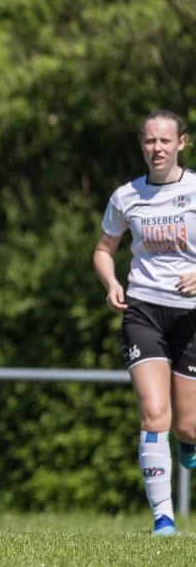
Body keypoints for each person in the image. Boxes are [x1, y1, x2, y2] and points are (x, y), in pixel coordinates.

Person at [93, 109, 196, 536]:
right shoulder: (126, 197)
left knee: (189, 424)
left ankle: (189, 444)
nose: (157, 149)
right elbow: (103, 248)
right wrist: (112, 281)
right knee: (155, 413)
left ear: (181, 143)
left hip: (191, 318)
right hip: (144, 311)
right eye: (150, 141)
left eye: (165, 141)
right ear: (142, 146)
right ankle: (164, 520)